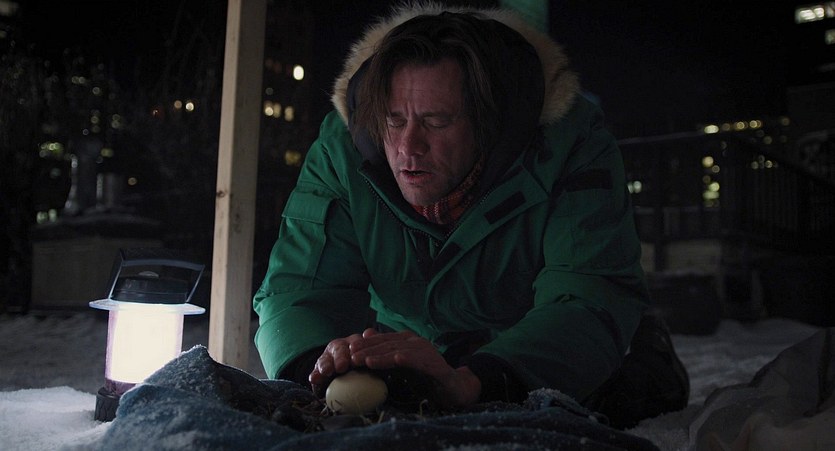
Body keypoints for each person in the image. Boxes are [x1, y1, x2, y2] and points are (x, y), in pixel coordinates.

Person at [254, 3, 688, 427]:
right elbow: (298, 288)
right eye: (394, 120)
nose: (408, 146)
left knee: (602, 402)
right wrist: (318, 372)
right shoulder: (343, 148)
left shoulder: (571, 144)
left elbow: (589, 293)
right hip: (406, 344)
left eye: (437, 121)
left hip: (530, 350)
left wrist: (478, 380)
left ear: (490, 122)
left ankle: (651, 356)